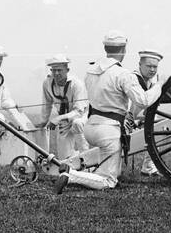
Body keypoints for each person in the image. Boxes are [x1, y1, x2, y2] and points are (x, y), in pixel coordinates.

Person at [54, 36, 162, 192]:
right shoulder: (123, 74)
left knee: (112, 167)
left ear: (106, 49)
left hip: (90, 127)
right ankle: (71, 175)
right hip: (109, 130)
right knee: (109, 180)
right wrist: (159, 84)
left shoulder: (90, 71)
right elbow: (143, 101)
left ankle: (74, 166)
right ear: (123, 50)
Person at [39, 54, 89, 160]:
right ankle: (71, 166)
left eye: (59, 70)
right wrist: (42, 123)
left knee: (77, 124)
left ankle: (88, 162)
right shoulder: (47, 83)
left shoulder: (76, 84)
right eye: (54, 70)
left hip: (82, 115)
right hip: (64, 119)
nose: (56, 73)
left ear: (67, 70)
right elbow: (46, 105)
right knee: (63, 158)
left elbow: (79, 111)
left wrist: (58, 118)